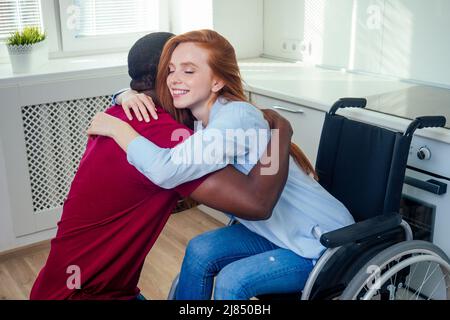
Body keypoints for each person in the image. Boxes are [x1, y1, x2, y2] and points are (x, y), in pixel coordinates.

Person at [88, 29, 355, 300]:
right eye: (171, 70)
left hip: (321, 242)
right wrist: (124, 94)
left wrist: (117, 128)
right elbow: (148, 92)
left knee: (233, 280)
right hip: (277, 233)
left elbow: (165, 170)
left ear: (216, 82)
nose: (174, 79)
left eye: (189, 71)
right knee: (199, 251)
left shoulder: (236, 117)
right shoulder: (197, 120)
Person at [30, 32, 293, 300]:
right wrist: (281, 129)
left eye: (189, 70)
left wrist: (123, 94)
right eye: (174, 70)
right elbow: (257, 203)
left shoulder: (118, 116)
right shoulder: (166, 136)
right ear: (166, 79)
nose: (181, 78)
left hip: (68, 287)